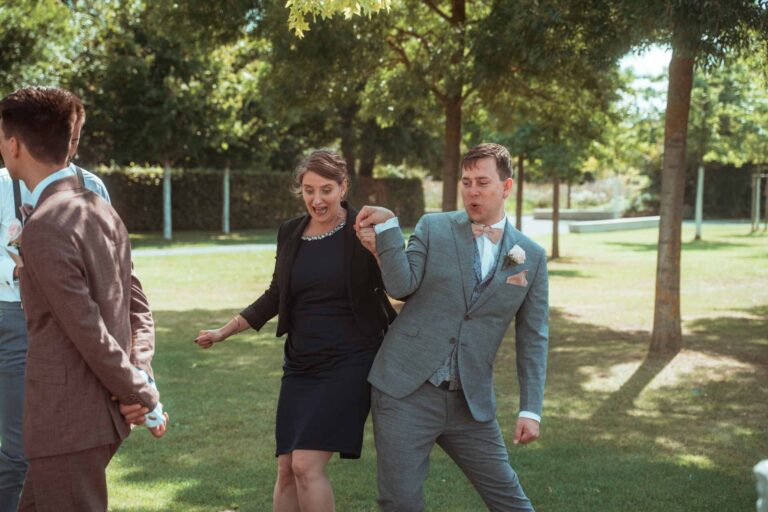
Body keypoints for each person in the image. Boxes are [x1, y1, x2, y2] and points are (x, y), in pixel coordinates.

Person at [195, 149, 395, 512]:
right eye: (308, 190)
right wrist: (225, 331)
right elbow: (276, 293)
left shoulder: (363, 230)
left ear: (343, 187)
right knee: (286, 468)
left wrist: (379, 250)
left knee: (305, 464)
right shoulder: (290, 232)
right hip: (301, 364)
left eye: (326, 190)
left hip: (350, 360)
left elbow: (398, 284)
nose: (317, 200)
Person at [0, 86, 168, 511]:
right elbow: (138, 308)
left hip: (66, 423)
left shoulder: (46, 224)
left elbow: (87, 328)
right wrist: (140, 372)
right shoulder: (97, 207)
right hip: (86, 422)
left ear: (15, 144)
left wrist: (140, 392)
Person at [355, 143, 549, 511]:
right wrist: (390, 228)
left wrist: (531, 409)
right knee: (400, 503)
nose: (472, 191)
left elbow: (533, 337)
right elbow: (401, 286)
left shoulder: (531, 256)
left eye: (482, 182)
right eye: (466, 182)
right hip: (405, 391)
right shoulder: (434, 226)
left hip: (470, 402)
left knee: (512, 503)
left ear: (506, 187)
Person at [0, 95, 114, 512]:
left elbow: (113, 271)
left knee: (67, 442)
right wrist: (18, 271)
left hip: (74, 327)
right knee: (18, 448)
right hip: (14, 317)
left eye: (77, 136)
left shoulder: (92, 188)